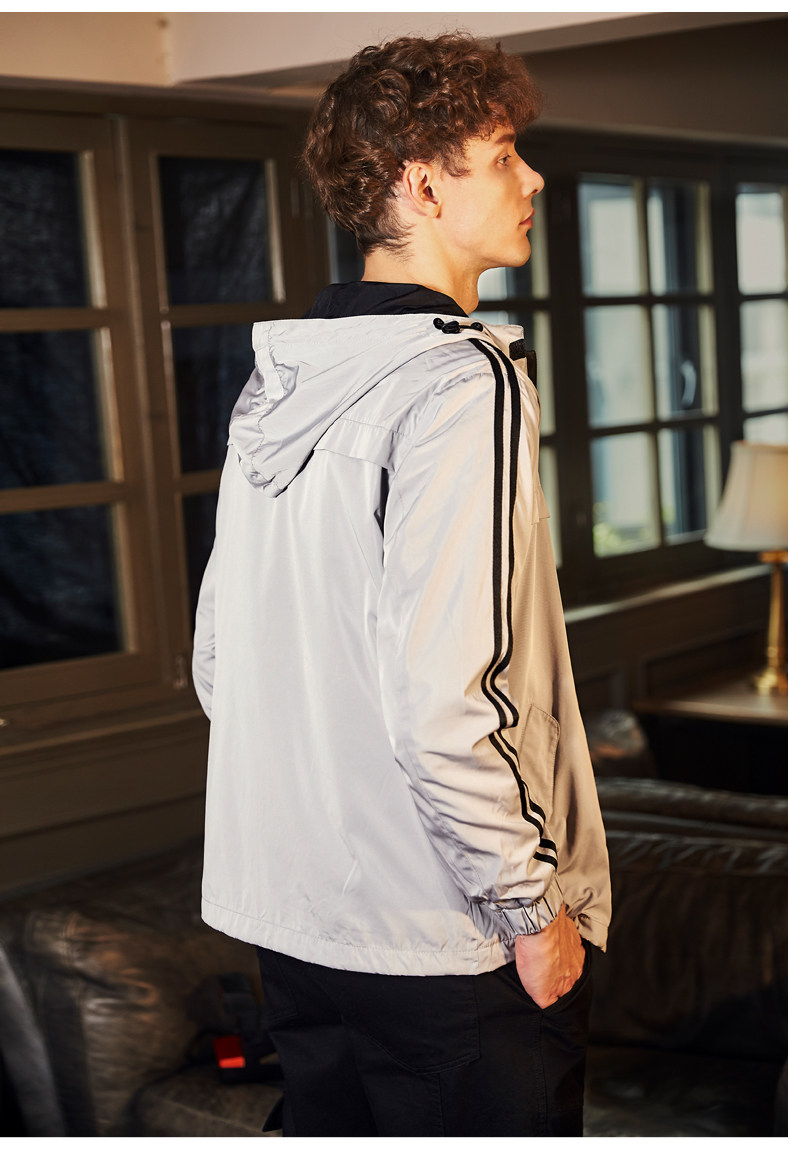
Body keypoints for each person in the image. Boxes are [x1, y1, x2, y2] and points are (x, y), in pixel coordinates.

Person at [193, 32, 611, 1137]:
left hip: (296, 928)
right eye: (505, 155)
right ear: (423, 186)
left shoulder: (278, 381)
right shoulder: (464, 379)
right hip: (444, 940)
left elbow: (220, 661)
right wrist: (531, 907)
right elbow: (447, 698)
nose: (532, 179)